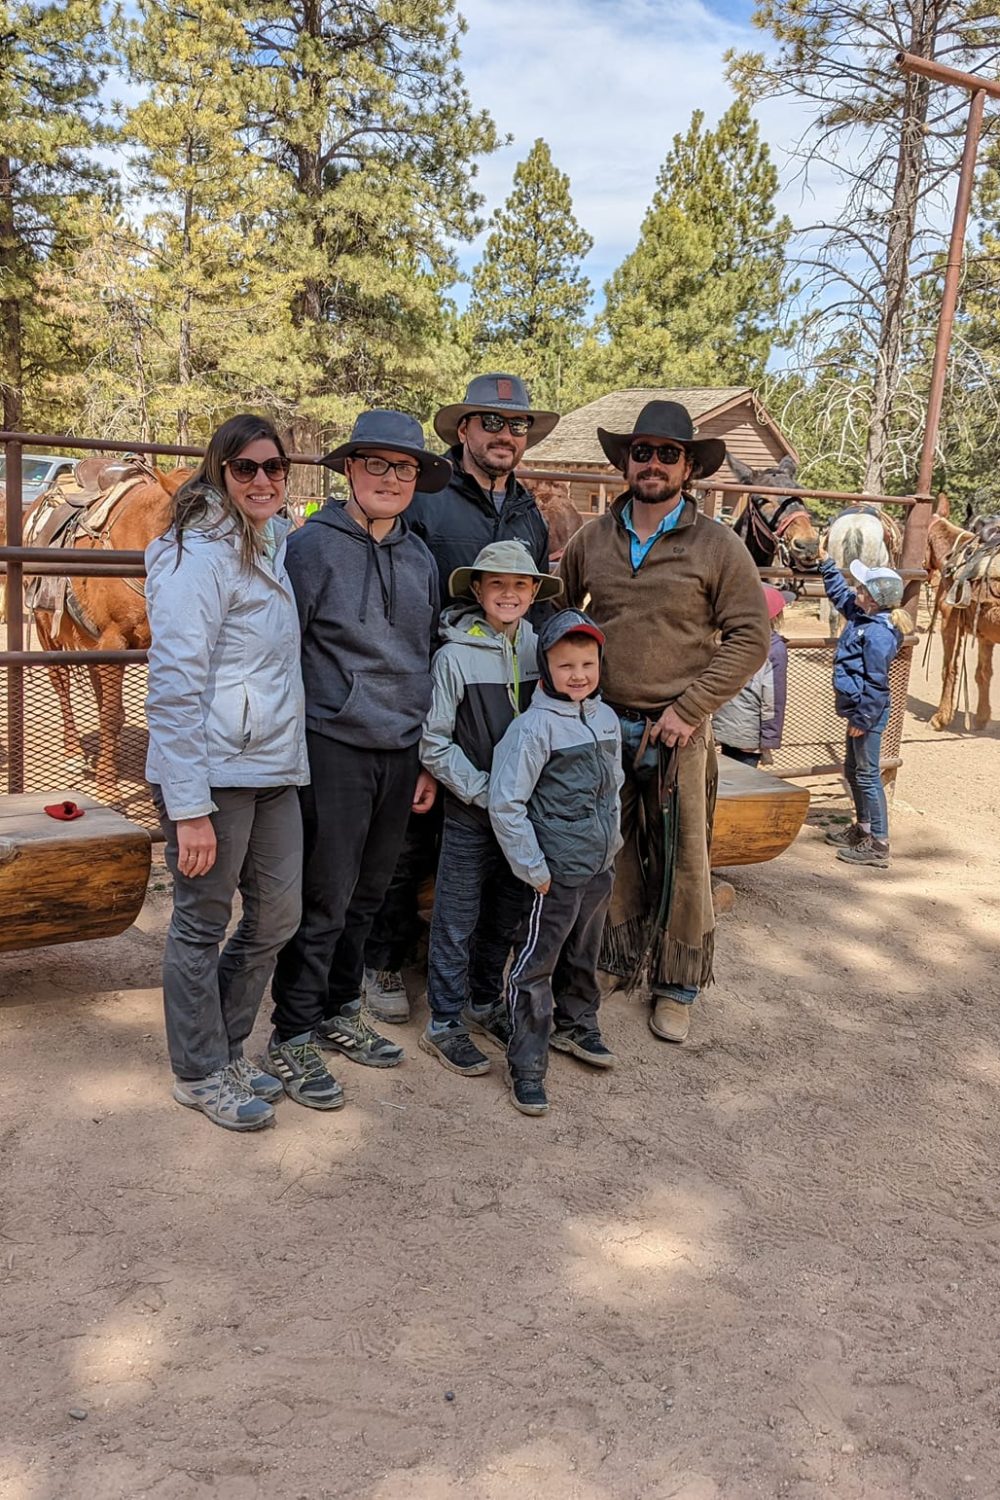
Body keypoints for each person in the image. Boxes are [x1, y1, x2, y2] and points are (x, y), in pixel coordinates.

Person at [558, 401, 770, 1046]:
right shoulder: (592, 539)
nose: (652, 464)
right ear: (625, 461)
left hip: (679, 727)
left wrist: (688, 708)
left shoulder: (718, 545)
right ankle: (617, 958)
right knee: (608, 850)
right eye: (642, 452)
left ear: (688, 467)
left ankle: (677, 983)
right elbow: (563, 616)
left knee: (685, 858)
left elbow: (750, 635)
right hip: (602, 723)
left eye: (667, 454)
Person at [363, 373, 560, 1022]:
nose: (506, 435)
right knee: (407, 836)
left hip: (499, 693)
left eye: (517, 425)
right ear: (464, 431)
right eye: (492, 422)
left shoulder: (530, 512)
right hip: (428, 682)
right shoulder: (425, 497)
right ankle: (384, 960)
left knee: (491, 835)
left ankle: (478, 975)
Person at [266, 410, 450, 1107]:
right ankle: (292, 1033)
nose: (392, 479)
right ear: (350, 470)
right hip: (333, 744)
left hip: (400, 749)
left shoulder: (420, 557)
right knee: (325, 895)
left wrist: (427, 758)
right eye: (377, 464)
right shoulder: (312, 548)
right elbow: (288, 651)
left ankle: (341, 1009)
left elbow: (426, 657)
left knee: (369, 895)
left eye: (404, 469)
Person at [145, 413, 309, 1132]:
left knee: (278, 914)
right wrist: (187, 805)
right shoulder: (197, 556)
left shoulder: (270, 544)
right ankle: (199, 1070)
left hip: (272, 762)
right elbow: (176, 683)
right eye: (246, 468)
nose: (264, 480)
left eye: (275, 467)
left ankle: (227, 1046)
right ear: (219, 471)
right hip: (211, 770)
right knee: (202, 921)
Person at [418, 541, 564, 1077]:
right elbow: (434, 741)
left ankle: (484, 1000)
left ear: (533, 593)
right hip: (472, 810)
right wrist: (484, 792)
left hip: (525, 817)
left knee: (508, 911)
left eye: (520, 584)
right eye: (496, 584)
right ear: (477, 590)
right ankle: (445, 1019)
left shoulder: (542, 650)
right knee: (456, 914)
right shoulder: (454, 656)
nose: (508, 593)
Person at [489, 610, 624, 1117]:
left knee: (584, 950)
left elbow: (614, 788)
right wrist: (534, 868)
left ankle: (577, 1024)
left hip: (598, 864)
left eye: (587, 663)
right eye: (565, 665)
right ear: (546, 667)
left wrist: (613, 843)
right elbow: (506, 803)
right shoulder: (534, 728)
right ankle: (527, 1061)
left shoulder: (604, 717)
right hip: (554, 871)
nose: (578, 675)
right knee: (536, 962)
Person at [819, 556, 907, 869]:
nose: (856, 590)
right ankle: (864, 829)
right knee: (853, 768)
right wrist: (826, 565)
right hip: (859, 711)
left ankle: (879, 844)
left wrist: (862, 719)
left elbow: (877, 684)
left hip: (866, 714)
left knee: (868, 775)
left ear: (872, 598)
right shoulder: (862, 616)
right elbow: (841, 595)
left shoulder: (879, 634)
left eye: (862, 587)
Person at [712, 584, 790, 768]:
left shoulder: (731, 639)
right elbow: (773, 699)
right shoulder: (775, 650)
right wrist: (768, 740)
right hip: (749, 733)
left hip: (725, 724)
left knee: (727, 780)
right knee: (744, 786)